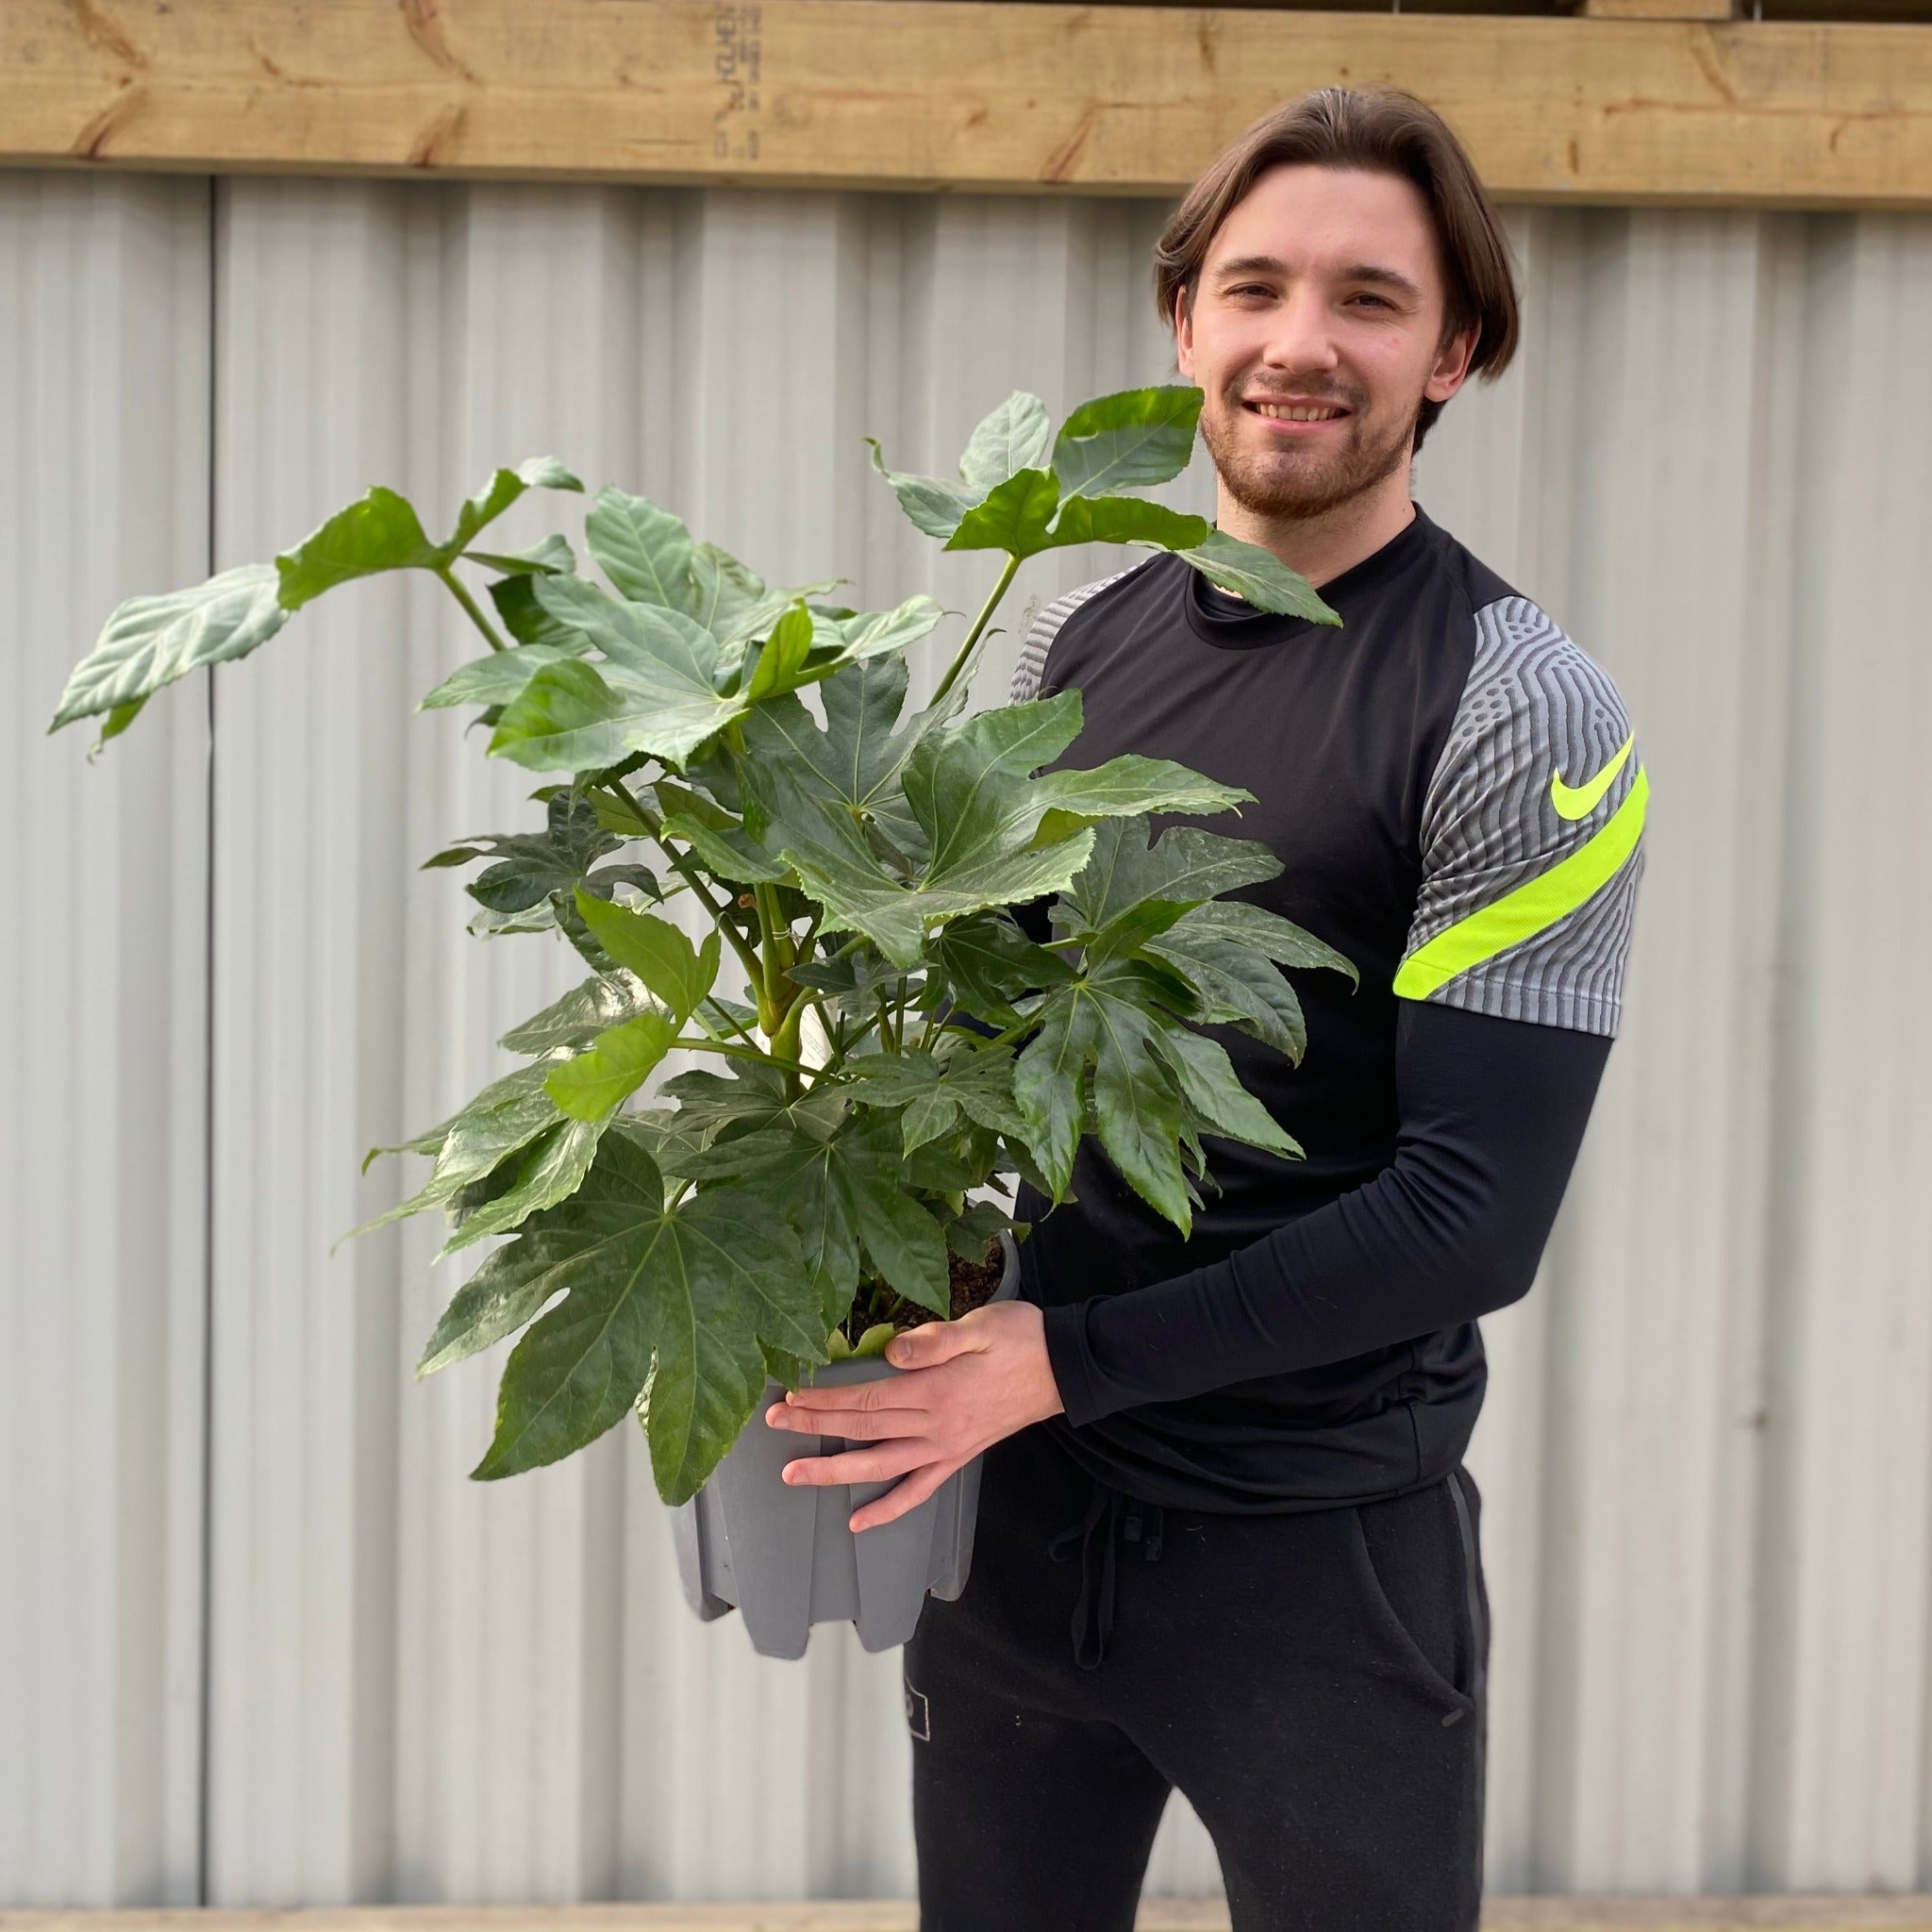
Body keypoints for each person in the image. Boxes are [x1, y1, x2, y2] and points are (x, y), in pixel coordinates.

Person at [761, 86, 1646, 1931]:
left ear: (1456, 351)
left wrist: (1057, 1356)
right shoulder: (1069, 642)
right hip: (1025, 1524)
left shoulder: (1519, 707)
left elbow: (1470, 1216)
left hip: (1316, 1558)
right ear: (1185, 324)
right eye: (1252, 288)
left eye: (1369, 300)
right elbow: (976, 1061)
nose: (1297, 343)